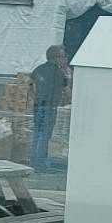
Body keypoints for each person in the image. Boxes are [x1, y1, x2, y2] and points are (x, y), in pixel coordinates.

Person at [29, 44, 71, 172]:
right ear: (56, 57)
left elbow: (30, 83)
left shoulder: (39, 69)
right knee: (45, 136)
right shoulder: (59, 73)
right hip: (50, 107)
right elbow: (67, 90)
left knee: (37, 134)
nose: (65, 59)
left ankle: (33, 162)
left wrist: (34, 97)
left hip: (38, 106)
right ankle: (40, 164)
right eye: (63, 56)